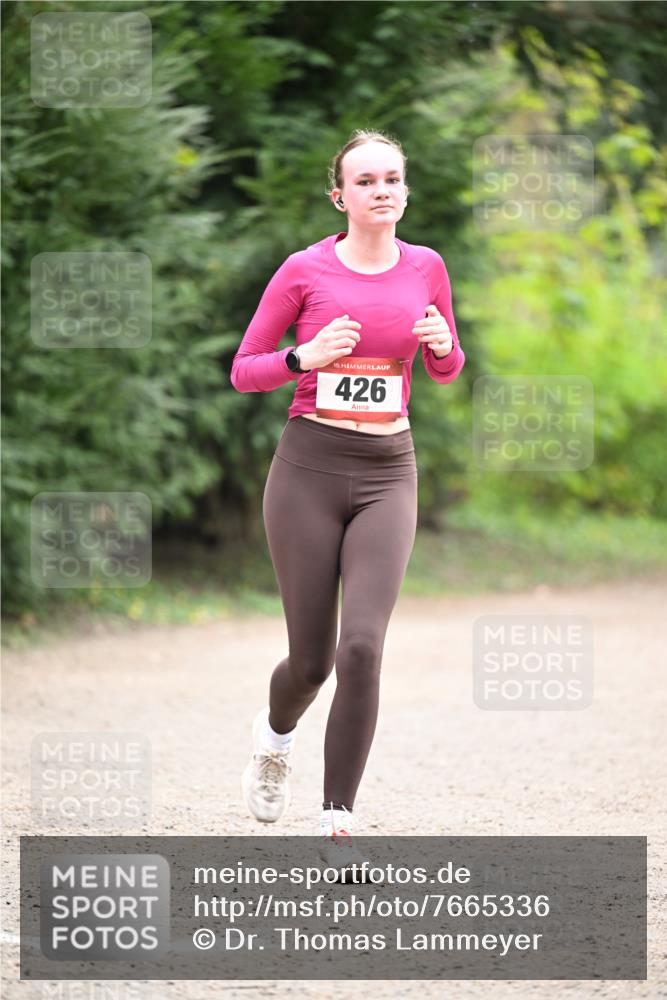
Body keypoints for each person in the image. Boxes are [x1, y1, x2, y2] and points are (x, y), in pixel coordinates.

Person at [232, 128, 465, 869]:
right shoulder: (304, 270)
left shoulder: (427, 267)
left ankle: (336, 820)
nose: (382, 190)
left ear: (405, 188)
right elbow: (245, 370)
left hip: (388, 469)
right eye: (365, 181)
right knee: (311, 664)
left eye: (392, 178)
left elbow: (448, 365)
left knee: (361, 645)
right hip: (307, 469)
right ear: (340, 196)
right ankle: (274, 743)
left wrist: (438, 345)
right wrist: (303, 357)